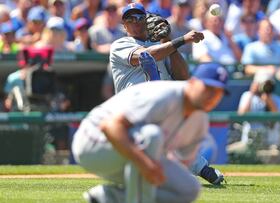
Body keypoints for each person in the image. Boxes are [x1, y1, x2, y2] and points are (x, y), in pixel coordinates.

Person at [72, 63, 228, 203]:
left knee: (188, 189)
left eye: (219, 92)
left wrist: (155, 167)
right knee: (151, 135)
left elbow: (182, 163)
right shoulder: (165, 95)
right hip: (93, 144)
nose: (212, 96)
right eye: (208, 88)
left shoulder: (200, 120)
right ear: (193, 82)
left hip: (129, 150)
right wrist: (145, 163)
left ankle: (109, 197)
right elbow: (110, 126)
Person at [110, 2, 224, 185]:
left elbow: (182, 76)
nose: (136, 22)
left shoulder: (163, 46)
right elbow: (147, 55)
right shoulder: (120, 44)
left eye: (140, 17)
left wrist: (167, 39)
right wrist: (180, 40)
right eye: (130, 19)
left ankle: (202, 169)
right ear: (124, 25)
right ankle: (201, 169)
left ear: (146, 21)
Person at [242, 19, 280, 103]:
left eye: (270, 29)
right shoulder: (251, 47)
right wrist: (266, 69)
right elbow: (247, 68)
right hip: (261, 80)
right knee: (264, 76)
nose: (268, 31)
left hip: (279, 78)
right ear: (259, 31)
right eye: (266, 29)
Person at [236, 72, 280, 148]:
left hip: (271, 144)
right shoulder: (247, 96)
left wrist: (269, 101)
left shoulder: (278, 100)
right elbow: (241, 115)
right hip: (250, 142)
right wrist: (252, 93)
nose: (265, 86)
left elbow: (277, 120)